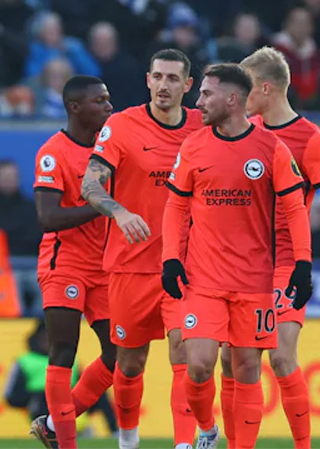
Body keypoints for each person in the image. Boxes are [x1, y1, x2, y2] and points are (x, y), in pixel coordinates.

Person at [216, 46, 320, 449]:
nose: (240, 99)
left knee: (281, 357)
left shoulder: (311, 140)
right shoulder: (243, 134)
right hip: (240, 266)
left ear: (265, 89)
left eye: (246, 90)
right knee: (232, 362)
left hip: (285, 263)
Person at [162, 62, 314, 449]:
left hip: (254, 282)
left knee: (247, 368)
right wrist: (170, 258)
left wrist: (303, 263)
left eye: (206, 94)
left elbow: (295, 208)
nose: (198, 103)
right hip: (204, 279)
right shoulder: (193, 146)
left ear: (232, 99)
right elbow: (175, 207)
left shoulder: (270, 149)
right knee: (197, 365)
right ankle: (208, 428)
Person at [81, 48, 204, 449]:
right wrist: (119, 212)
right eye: (158, 77)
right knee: (129, 363)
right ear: (147, 80)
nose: (164, 85)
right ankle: (128, 440)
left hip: (185, 265)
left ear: (188, 86)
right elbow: (90, 185)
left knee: (182, 349)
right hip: (130, 265)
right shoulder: (121, 126)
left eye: (173, 79)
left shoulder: (203, 127)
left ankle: (184, 443)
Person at [28, 75, 117, 449]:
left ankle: (51, 422)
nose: (109, 107)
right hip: (64, 263)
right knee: (64, 349)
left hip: (106, 266)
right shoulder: (54, 152)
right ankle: (66, 443)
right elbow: (48, 217)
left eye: (108, 99)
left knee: (119, 353)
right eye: (100, 101)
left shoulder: (112, 149)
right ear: (74, 107)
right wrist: (101, 206)